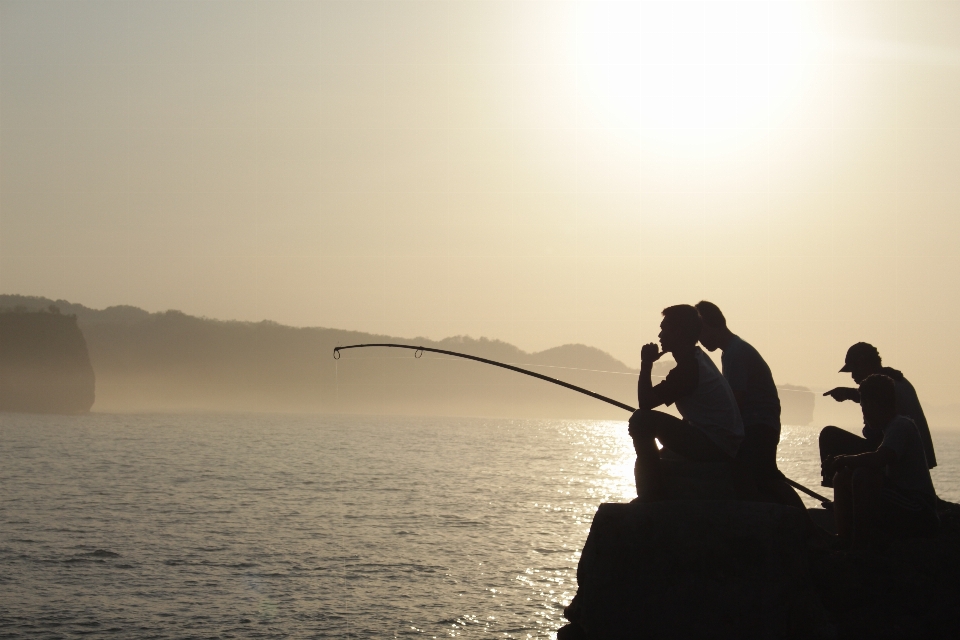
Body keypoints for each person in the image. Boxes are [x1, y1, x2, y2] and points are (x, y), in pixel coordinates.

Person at [695, 301, 805, 510]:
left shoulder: (735, 354)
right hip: (760, 425)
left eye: (699, 331)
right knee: (760, 479)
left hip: (758, 427)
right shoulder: (732, 351)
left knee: (767, 478)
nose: (699, 339)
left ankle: (808, 529)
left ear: (709, 326)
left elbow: (736, 402)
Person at [628, 305, 744, 501]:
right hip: (722, 442)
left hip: (716, 446)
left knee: (640, 421)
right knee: (663, 452)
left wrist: (646, 363)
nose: (659, 335)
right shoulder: (696, 360)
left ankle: (651, 494)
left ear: (678, 332)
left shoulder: (689, 369)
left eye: (664, 329)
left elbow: (645, 403)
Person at [827, 374, 939, 549]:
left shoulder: (900, 425)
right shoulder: (890, 429)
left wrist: (845, 459)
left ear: (873, 405)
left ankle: (863, 544)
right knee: (843, 476)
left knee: (862, 476)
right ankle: (844, 537)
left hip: (919, 509)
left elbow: (880, 458)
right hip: (904, 502)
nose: (863, 416)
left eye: (863, 408)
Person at [819, 342, 937, 487]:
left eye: (854, 369)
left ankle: (838, 489)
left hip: (900, 456)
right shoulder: (894, 380)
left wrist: (843, 460)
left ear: (863, 362)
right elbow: (874, 395)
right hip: (909, 456)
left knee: (829, 435)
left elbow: (876, 398)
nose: (853, 376)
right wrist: (850, 394)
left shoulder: (888, 388)